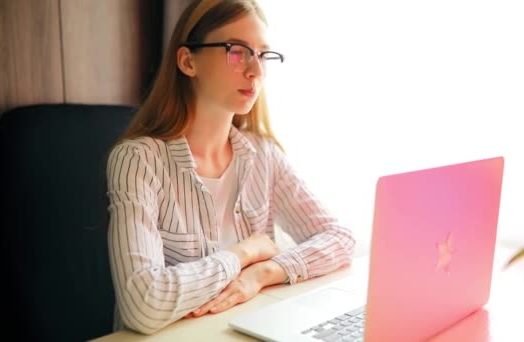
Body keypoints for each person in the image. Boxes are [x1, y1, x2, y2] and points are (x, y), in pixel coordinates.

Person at [106, 0, 356, 335]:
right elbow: (143, 303)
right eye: (236, 51)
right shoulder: (138, 160)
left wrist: (263, 273)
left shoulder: (263, 154)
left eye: (263, 54)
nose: (256, 71)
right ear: (187, 61)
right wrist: (244, 253)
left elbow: (339, 238)